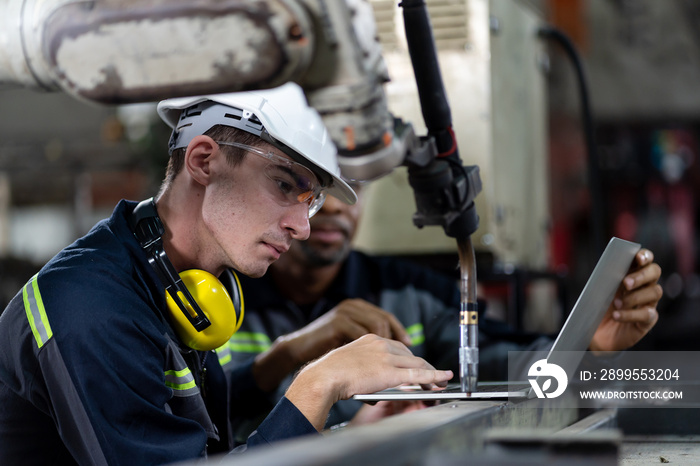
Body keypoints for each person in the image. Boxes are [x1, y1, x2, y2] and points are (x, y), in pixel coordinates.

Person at [0, 83, 454, 465]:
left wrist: (345, 426)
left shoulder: (177, 282)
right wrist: (319, 385)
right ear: (202, 162)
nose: (304, 226)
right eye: (284, 184)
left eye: (310, 200)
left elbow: (208, 452)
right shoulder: (92, 309)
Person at [222, 186, 663, 437]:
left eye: (351, 186)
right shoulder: (218, 296)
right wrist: (286, 356)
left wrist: (591, 349)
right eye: (315, 185)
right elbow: (199, 420)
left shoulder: (412, 291)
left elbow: (499, 358)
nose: (336, 205)